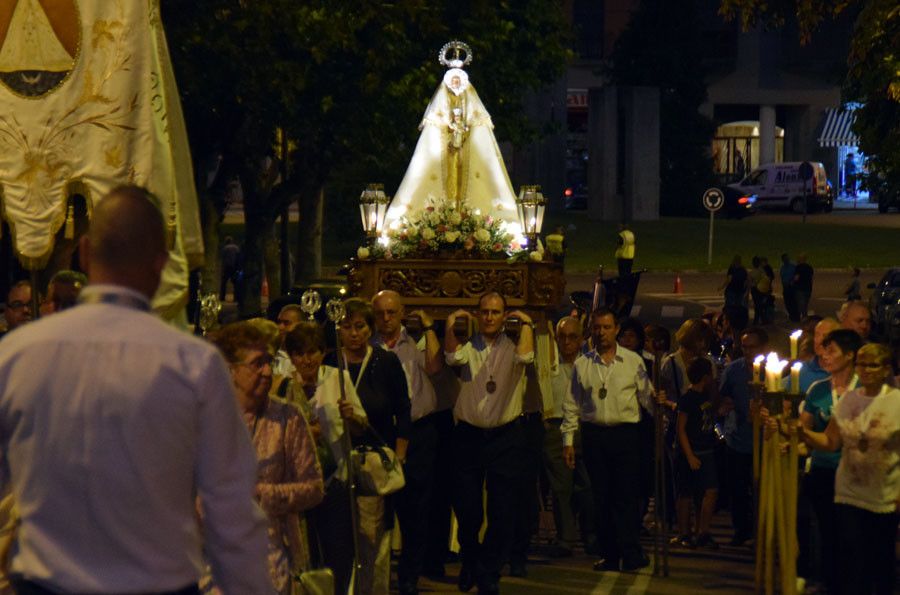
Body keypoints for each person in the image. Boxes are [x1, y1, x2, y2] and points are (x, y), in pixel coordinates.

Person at [0, 185, 271, 594]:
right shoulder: (193, 365)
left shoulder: (18, 355)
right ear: (161, 264)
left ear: (86, 253)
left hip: (45, 582)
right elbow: (231, 514)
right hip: (156, 584)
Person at [209, 322, 325, 595]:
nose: (266, 371)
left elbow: (315, 488)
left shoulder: (288, 417)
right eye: (256, 363)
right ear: (231, 369)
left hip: (271, 558)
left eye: (269, 362)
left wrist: (262, 494)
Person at [445, 292, 534, 594]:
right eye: (484, 312)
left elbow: (526, 357)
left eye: (496, 312)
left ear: (504, 314)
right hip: (469, 435)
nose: (490, 317)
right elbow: (451, 357)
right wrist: (449, 323)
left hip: (505, 436)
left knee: (503, 509)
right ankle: (471, 559)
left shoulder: (513, 344)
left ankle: (489, 571)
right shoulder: (468, 344)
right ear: (477, 314)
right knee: (468, 510)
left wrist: (527, 324)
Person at [796, 343, 900, 595]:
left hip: (883, 494)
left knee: (882, 560)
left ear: (886, 368)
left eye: (873, 364)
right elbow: (831, 441)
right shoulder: (849, 400)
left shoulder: (896, 402)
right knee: (852, 559)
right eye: (861, 364)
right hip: (849, 492)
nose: (866, 370)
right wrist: (803, 433)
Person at [370, 290, 455, 595]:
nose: (386, 319)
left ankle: (409, 575)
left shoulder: (415, 344)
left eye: (392, 312)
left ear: (402, 312)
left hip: (419, 432)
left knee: (416, 508)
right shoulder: (371, 348)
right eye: (380, 313)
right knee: (380, 507)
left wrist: (430, 328)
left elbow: (434, 367)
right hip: (383, 434)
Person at [562, 307, 658, 573]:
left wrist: (658, 403)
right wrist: (568, 440)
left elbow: (646, 398)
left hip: (625, 436)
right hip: (595, 436)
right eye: (597, 328)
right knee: (600, 498)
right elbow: (572, 404)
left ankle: (631, 552)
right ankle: (610, 554)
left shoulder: (632, 362)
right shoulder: (583, 364)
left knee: (625, 497)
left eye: (607, 328)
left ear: (616, 329)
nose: (601, 333)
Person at [326, 298, 411, 595]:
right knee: (340, 535)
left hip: (374, 461)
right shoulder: (330, 364)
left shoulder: (385, 362)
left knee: (374, 537)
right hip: (338, 461)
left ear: (370, 329)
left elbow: (403, 409)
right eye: (347, 327)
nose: (353, 334)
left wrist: (399, 455)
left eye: (359, 326)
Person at [285, 322, 369, 595]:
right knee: (304, 553)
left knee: (339, 551)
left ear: (322, 353)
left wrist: (350, 416)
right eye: (299, 354)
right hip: (298, 484)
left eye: (312, 352)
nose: (306, 360)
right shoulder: (284, 385)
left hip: (334, 480)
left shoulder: (338, 379)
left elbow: (360, 426)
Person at [799, 329, 863, 594]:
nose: (824, 356)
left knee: (853, 534)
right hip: (824, 471)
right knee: (827, 531)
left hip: (856, 473)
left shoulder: (865, 389)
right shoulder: (818, 390)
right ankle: (830, 582)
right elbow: (806, 434)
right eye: (823, 350)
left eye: (831, 350)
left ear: (849, 356)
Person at [543, 317, 595, 557]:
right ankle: (566, 537)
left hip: (584, 428)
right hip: (556, 427)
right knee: (561, 487)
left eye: (573, 337)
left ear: (581, 339)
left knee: (587, 487)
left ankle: (591, 534)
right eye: (562, 337)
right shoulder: (548, 365)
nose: (567, 342)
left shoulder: (589, 365)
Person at [718, 326, 768, 546]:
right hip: (738, 439)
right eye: (744, 347)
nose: (748, 352)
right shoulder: (733, 370)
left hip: (765, 441)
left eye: (753, 347)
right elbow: (722, 396)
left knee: (763, 488)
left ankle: (763, 529)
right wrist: (725, 406)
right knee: (738, 488)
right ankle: (741, 530)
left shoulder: (774, 371)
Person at [674, 358, 720, 549]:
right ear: (704, 377)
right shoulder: (688, 399)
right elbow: (681, 429)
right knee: (685, 493)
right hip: (691, 452)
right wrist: (690, 455)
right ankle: (684, 533)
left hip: (707, 450)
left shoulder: (706, 396)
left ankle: (703, 531)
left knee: (709, 491)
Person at [273, 304, 303, 381]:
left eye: (286, 323)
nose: (280, 327)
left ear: (301, 325)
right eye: (279, 322)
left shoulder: (306, 359)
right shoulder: (270, 355)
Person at [220, 235, 241, 301]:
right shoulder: (236, 248)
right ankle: (236, 297)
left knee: (224, 282)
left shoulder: (225, 248)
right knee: (236, 283)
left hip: (227, 267)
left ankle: (222, 297)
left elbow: (223, 258)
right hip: (234, 267)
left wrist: (222, 268)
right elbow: (238, 257)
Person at [793, 254, 814, 320]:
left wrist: (792, 282)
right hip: (808, 288)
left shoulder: (798, 267)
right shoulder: (809, 267)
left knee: (801, 303)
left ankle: (804, 317)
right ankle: (804, 316)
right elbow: (812, 278)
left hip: (800, 288)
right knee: (805, 303)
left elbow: (796, 278)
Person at [780, 253, 799, 322]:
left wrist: (792, 282)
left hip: (792, 287)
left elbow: (796, 275)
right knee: (788, 303)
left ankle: (796, 317)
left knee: (793, 302)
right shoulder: (782, 268)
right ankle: (792, 316)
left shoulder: (793, 266)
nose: (786, 260)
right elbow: (782, 278)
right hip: (786, 287)